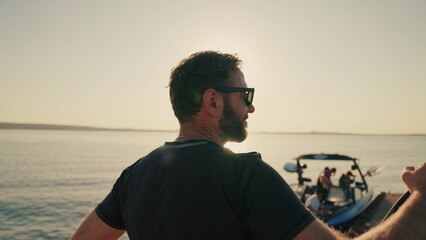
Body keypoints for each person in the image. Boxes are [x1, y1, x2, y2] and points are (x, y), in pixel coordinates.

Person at [71, 51, 426, 240]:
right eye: (245, 95)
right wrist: (420, 199)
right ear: (212, 102)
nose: (251, 107)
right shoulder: (243, 175)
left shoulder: (133, 177)